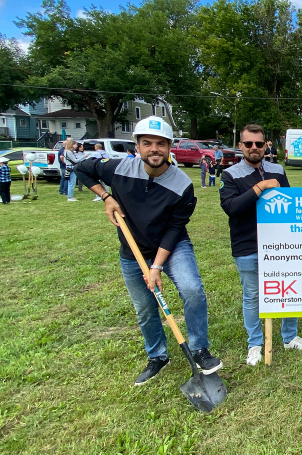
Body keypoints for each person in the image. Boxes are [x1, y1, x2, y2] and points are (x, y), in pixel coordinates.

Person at [74, 116, 223, 385]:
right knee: (144, 306)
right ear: (138, 146)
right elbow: (83, 168)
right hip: (132, 251)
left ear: (169, 147)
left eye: (161, 144)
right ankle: (158, 356)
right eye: (147, 143)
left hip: (172, 246)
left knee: (192, 289)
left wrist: (156, 267)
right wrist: (107, 197)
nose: (154, 149)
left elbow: (175, 228)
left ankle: (200, 349)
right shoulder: (118, 168)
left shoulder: (182, 185)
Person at [220, 124, 302, 366]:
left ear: (266, 145)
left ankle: (290, 337)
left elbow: (290, 203)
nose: (254, 148)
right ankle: (255, 344)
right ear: (240, 146)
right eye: (248, 144)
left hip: (280, 245)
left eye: (259, 144)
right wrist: (260, 187)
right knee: (252, 296)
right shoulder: (230, 174)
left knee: (289, 288)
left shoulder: (277, 170)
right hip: (247, 244)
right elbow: (231, 208)